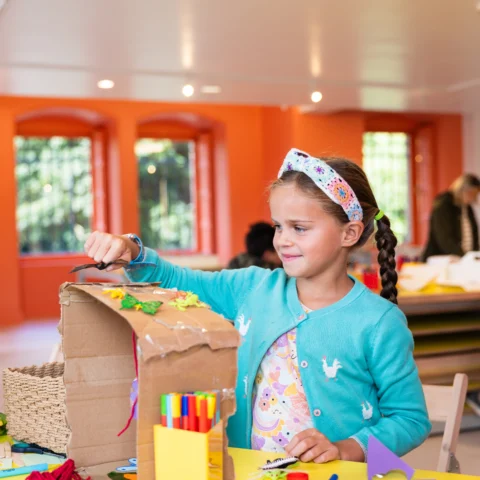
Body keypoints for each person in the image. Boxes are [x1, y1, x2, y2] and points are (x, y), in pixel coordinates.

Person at [84, 148, 430, 464]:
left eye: (300, 228)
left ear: (349, 233)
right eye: (279, 226)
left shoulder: (379, 321)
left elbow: (410, 419)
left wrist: (346, 448)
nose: (283, 240)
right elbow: (179, 281)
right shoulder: (253, 287)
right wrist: (131, 250)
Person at [423, 173, 480, 260]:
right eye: (471, 193)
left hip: (464, 259)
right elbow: (444, 238)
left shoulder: (467, 207)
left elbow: (474, 233)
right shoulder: (444, 204)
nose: (472, 197)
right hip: (443, 259)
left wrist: (473, 255)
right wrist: (463, 255)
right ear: (462, 189)